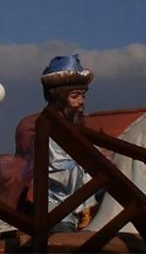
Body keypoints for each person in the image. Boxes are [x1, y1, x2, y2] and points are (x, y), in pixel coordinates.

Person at [40, 54, 99, 232]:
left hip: (83, 202)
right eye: (75, 96)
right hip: (59, 206)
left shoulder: (77, 125)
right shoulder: (48, 129)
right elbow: (60, 170)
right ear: (59, 98)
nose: (81, 102)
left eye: (83, 96)